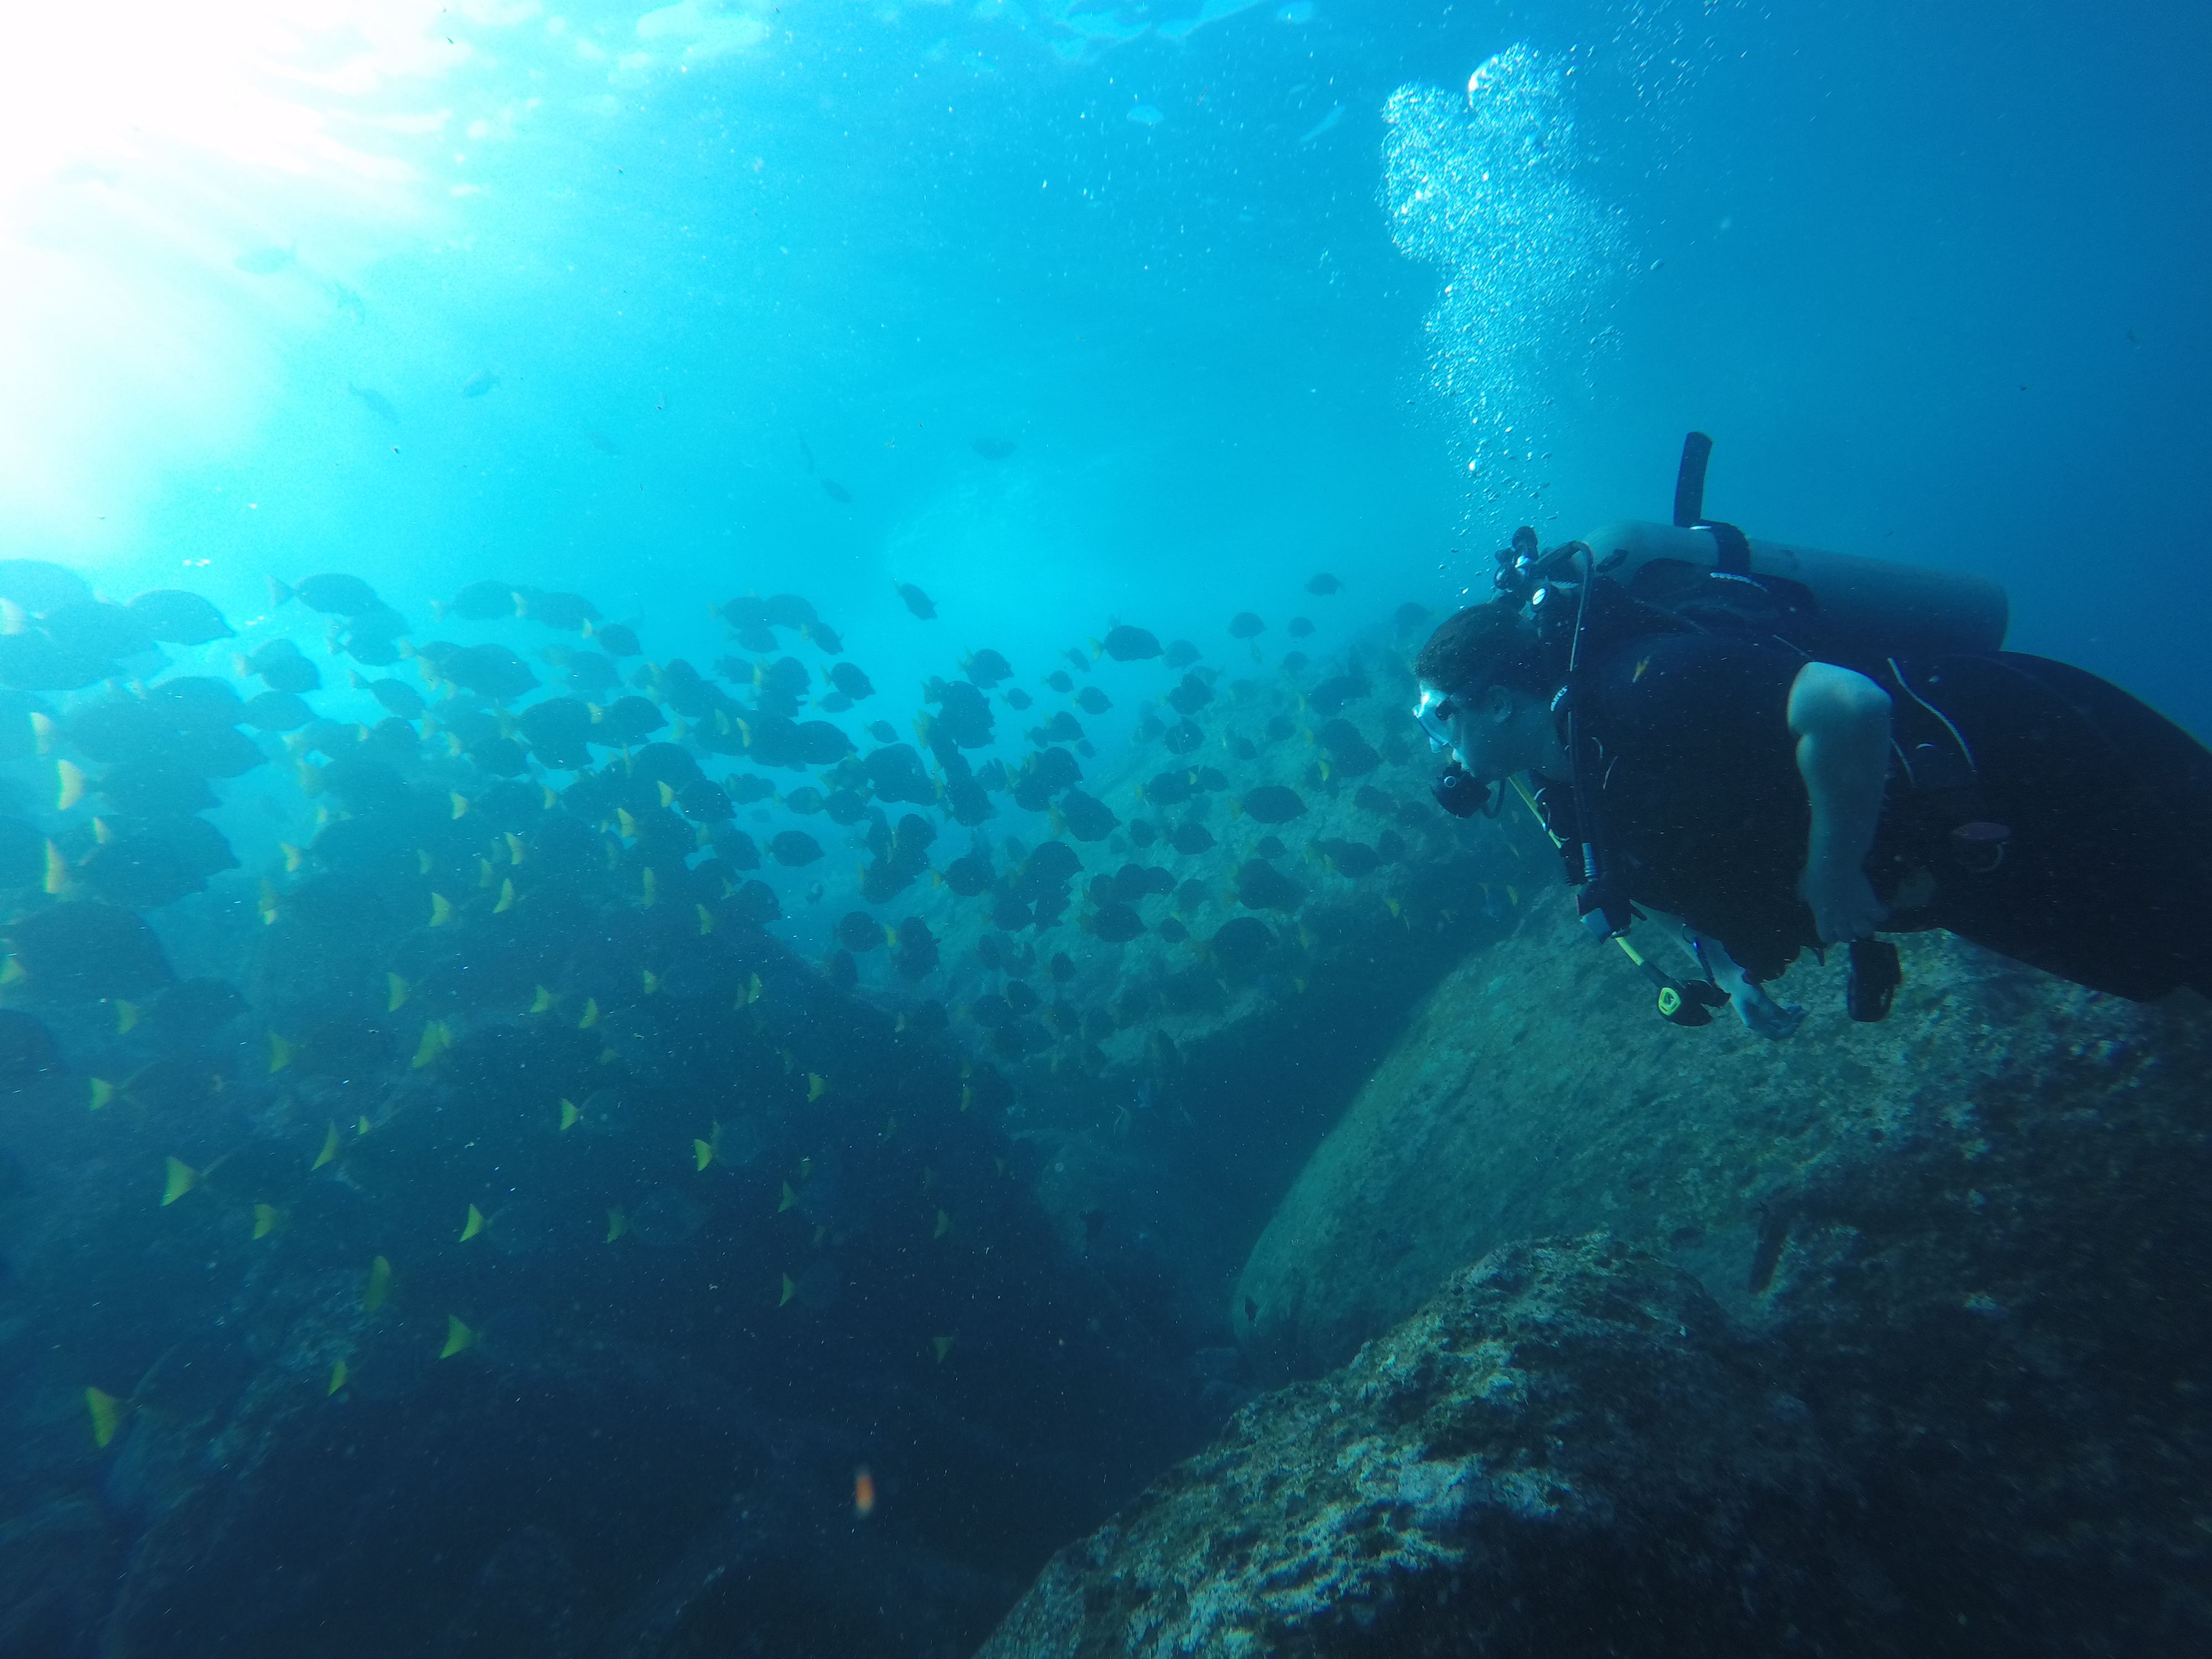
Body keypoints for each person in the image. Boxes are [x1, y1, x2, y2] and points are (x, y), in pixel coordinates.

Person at [1413, 584, 2212, 1036]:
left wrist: (1832, 872)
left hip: (2020, 749)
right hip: (1952, 862)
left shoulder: (1643, 685)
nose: (1437, 745)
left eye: (1438, 718)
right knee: (2158, 973)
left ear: (1498, 702)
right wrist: (1727, 966)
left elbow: (1850, 705)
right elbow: (1643, 880)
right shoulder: (1563, 785)